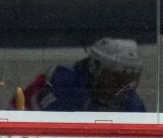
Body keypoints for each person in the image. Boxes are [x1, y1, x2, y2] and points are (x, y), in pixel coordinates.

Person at [13, 37, 146, 113]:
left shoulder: (133, 104)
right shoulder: (63, 85)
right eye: (115, 78)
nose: (123, 88)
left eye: (130, 80)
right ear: (94, 68)